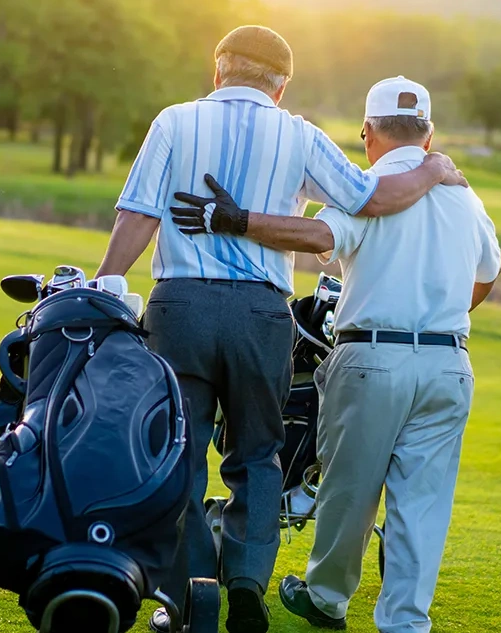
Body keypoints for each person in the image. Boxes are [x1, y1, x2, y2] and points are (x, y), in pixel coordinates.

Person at [95, 23, 467, 632]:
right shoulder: (300, 134)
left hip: (180, 309)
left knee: (178, 454)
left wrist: (105, 282)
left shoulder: (174, 121)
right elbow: (370, 198)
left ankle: (189, 599)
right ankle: (246, 582)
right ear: (281, 87)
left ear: (218, 71)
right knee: (258, 456)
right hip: (262, 315)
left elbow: (138, 213)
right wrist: (433, 170)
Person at [170, 76, 501, 632]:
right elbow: (487, 274)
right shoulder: (466, 197)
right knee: (423, 503)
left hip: (371, 359)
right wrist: (440, 311)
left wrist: (234, 220)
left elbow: (315, 236)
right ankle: (405, 621)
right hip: (449, 361)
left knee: (349, 491)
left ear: (368, 133)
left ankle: (326, 599)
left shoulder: (367, 190)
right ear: (428, 135)